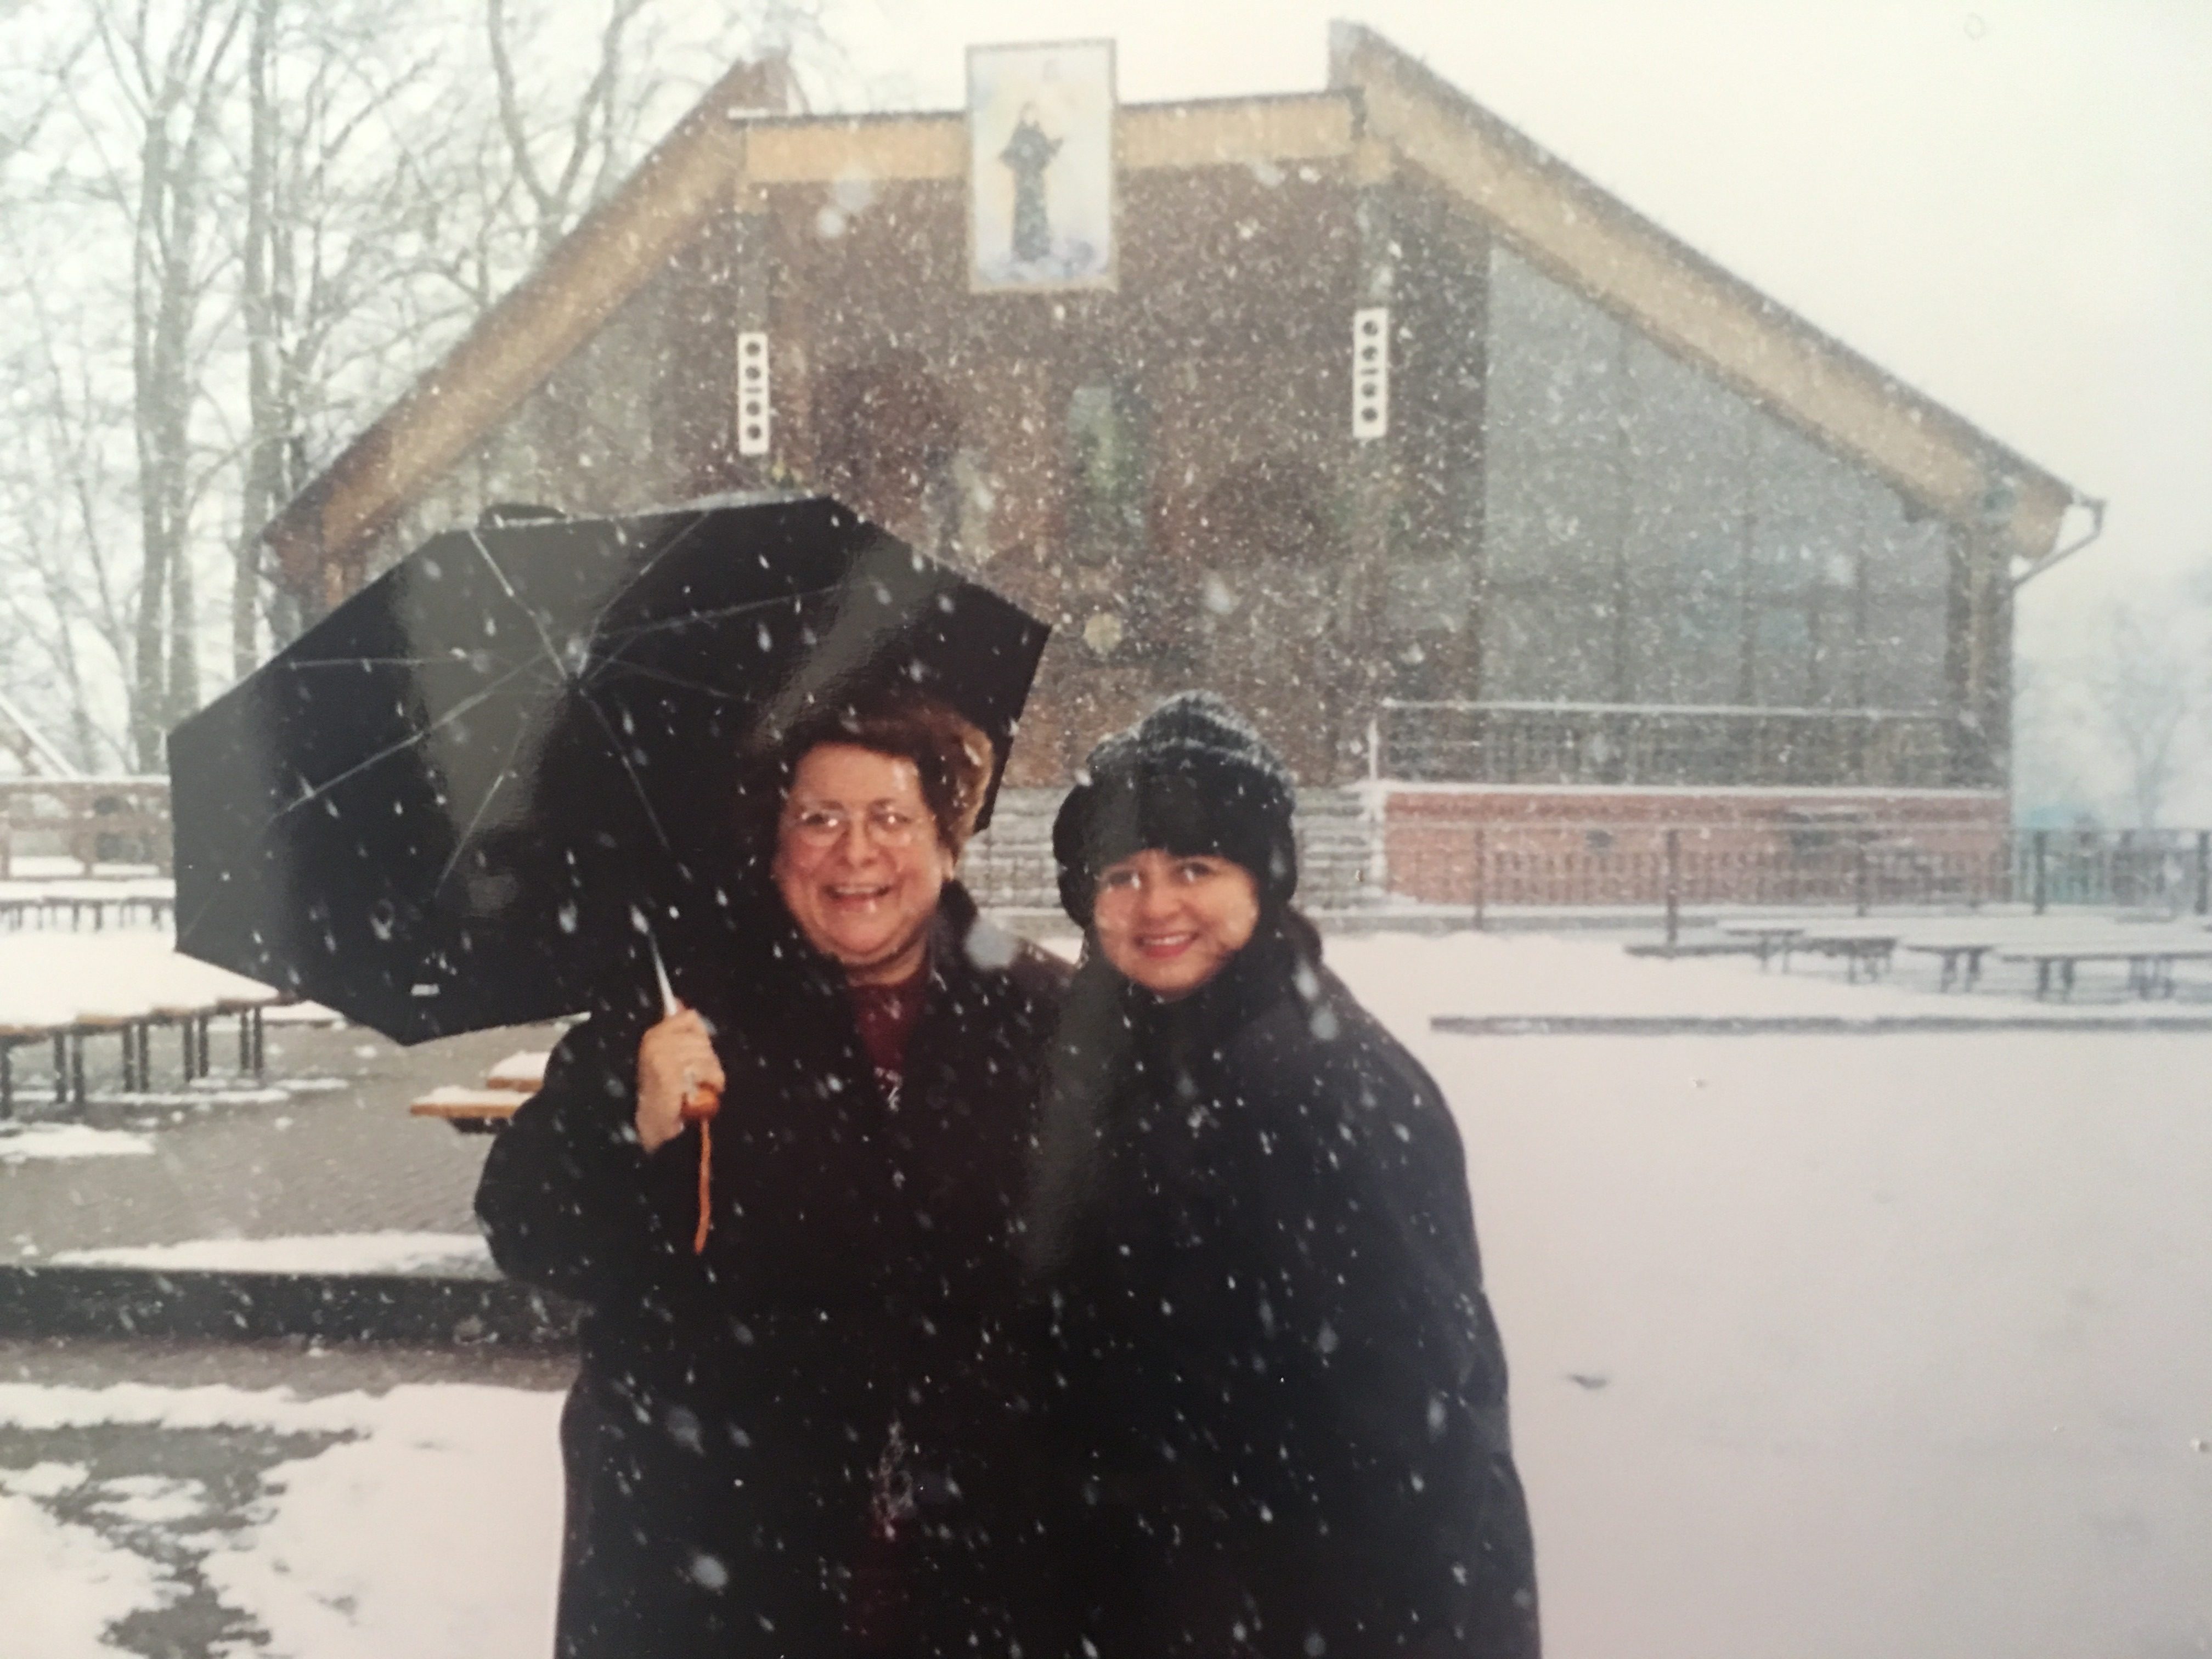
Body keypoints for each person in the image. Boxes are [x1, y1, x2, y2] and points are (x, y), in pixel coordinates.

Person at [477, 692, 1070, 1659]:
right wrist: (638, 1134)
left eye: (891, 817)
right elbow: (525, 1229)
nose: (855, 852)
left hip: (971, 1549)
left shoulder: (1044, 1018)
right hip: (719, 1544)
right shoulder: (672, 1011)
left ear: (948, 840)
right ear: (777, 845)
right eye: (819, 819)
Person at [1028, 692, 1540, 1658]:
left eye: (1195, 868)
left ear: (1261, 880)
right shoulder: (1123, 1055)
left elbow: (1413, 1436)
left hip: (1304, 1613)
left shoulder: (1327, 1086)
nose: (1157, 905)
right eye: (1123, 874)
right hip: (1174, 1600)